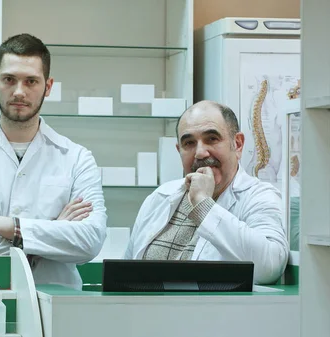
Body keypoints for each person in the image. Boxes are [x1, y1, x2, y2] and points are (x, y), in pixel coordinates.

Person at [0, 33, 107, 290]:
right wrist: (51, 235)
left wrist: (1, 226)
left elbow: (90, 241)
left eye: (31, 81)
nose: (19, 91)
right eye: (9, 79)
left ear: (48, 86)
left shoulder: (77, 158)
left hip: (58, 306)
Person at [124, 100, 289, 284]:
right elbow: (126, 273)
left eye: (212, 139)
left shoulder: (259, 196)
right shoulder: (160, 197)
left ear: (238, 144)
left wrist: (203, 204)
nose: (200, 153)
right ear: (179, 151)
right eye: (189, 143)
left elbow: (269, 268)